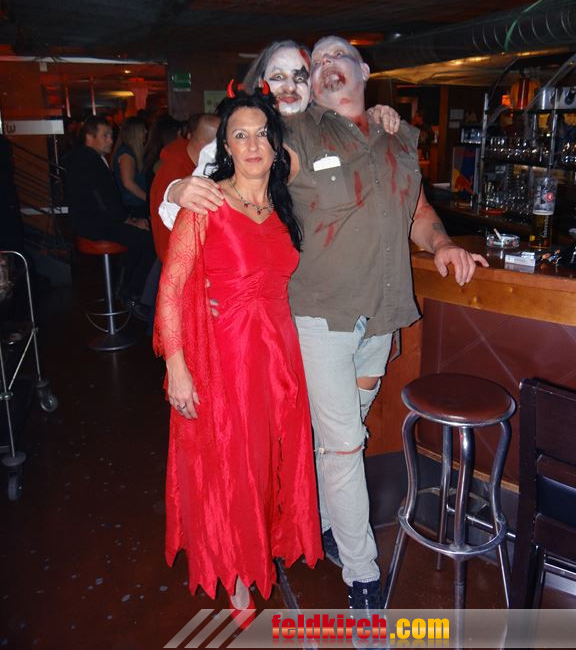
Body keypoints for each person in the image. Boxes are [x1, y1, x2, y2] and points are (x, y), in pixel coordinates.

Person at [161, 37, 489, 609]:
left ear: (365, 70)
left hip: (380, 317)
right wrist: (175, 187)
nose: (323, 70)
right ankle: (363, 574)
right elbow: (226, 165)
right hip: (319, 320)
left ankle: (319, 520)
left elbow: (416, 210)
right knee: (341, 447)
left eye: (336, 58)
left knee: (340, 437)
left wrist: (440, 244)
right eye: (316, 65)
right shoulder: (294, 135)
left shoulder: (395, 135)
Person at [153, 87, 322, 611]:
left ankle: (260, 548)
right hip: (227, 358)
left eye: (261, 134)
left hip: (279, 357)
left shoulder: (283, 206)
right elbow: (170, 290)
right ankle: (236, 567)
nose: (252, 145)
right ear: (225, 146)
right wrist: (177, 368)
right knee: (233, 466)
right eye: (239, 135)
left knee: (269, 461)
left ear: (276, 144)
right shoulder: (206, 202)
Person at [160, 40, 400, 211]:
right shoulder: (239, 143)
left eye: (300, 78)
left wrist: (372, 116)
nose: (289, 87)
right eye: (277, 77)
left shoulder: (327, 133)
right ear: (259, 84)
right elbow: (179, 214)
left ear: (312, 89)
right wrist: (174, 193)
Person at [63, 116, 155, 310]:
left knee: (141, 238)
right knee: (150, 242)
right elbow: (101, 199)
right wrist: (128, 220)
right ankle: (132, 293)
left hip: (92, 222)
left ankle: (123, 289)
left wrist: (127, 220)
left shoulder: (84, 157)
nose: (110, 140)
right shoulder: (88, 159)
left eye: (111, 136)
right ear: (89, 137)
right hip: (95, 225)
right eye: (105, 136)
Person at [149, 113, 219, 262]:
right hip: (176, 261)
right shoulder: (176, 172)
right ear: (211, 146)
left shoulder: (192, 164)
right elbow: (168, 233)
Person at [111, 116, 149, 218]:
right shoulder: (126, 154)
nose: (146, 131)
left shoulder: (131, 152)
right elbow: (128, 183)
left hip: (135, 204)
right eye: (142, 129)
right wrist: (148, 199)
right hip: (133, 205)